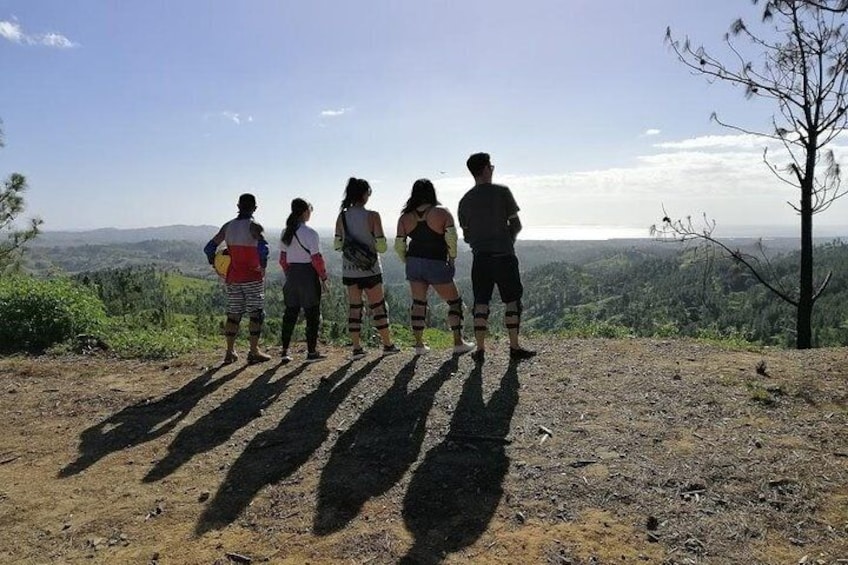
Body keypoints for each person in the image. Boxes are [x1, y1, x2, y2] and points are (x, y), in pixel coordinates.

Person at [457, 153, 536, 362]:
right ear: (485, 169)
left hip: (480, 258)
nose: (492, 168)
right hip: (504, 255)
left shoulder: (465, 201)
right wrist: (506, 240)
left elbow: (466, 235)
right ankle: (514, 347)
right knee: (512, 301)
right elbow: (516, 224)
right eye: (490, 166)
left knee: (481, 303)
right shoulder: (502, 193)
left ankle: (480, 350)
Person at [394, 179, 474, 356]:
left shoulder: (405, 217)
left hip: (414, 262)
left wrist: (406, 261)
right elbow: (451, 239)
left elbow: (399, 245)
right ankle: (458, 342)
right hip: (436, 261)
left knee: (419, 303)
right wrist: (452, 258)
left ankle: (419, 345)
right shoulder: (442, 213)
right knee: (454, 302)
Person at [334, 177, 400, 359]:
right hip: (371, 269)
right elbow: (382, 247)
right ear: (364, 194)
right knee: (378, 306)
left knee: (354, 307)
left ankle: (356, 348)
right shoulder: (373, 216)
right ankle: (387, 344)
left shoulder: (342, 216)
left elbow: (337, 245)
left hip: (349, 269)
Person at [204, 193, 272, 365]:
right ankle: (254, 351)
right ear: (255, 208)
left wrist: (215, 262)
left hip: (233, 278)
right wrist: (262, 266)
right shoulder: (255, 227)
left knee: (233, 315)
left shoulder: (228, 226)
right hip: (252, 277)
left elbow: (209, 247)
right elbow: (264, 249)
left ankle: (229, 352)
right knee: (256, 314)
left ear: (238, 206)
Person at [279, 198, 329, 364]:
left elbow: (282, 260)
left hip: (292, 275)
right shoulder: (311, 233)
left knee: (290, 314)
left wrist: (290, 274)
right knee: (312, 315)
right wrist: (323, 277)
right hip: (308, 275)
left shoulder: (286, 232)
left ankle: (285, 350)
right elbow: (316, 259)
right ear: (305, 212)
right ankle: (311, 352)